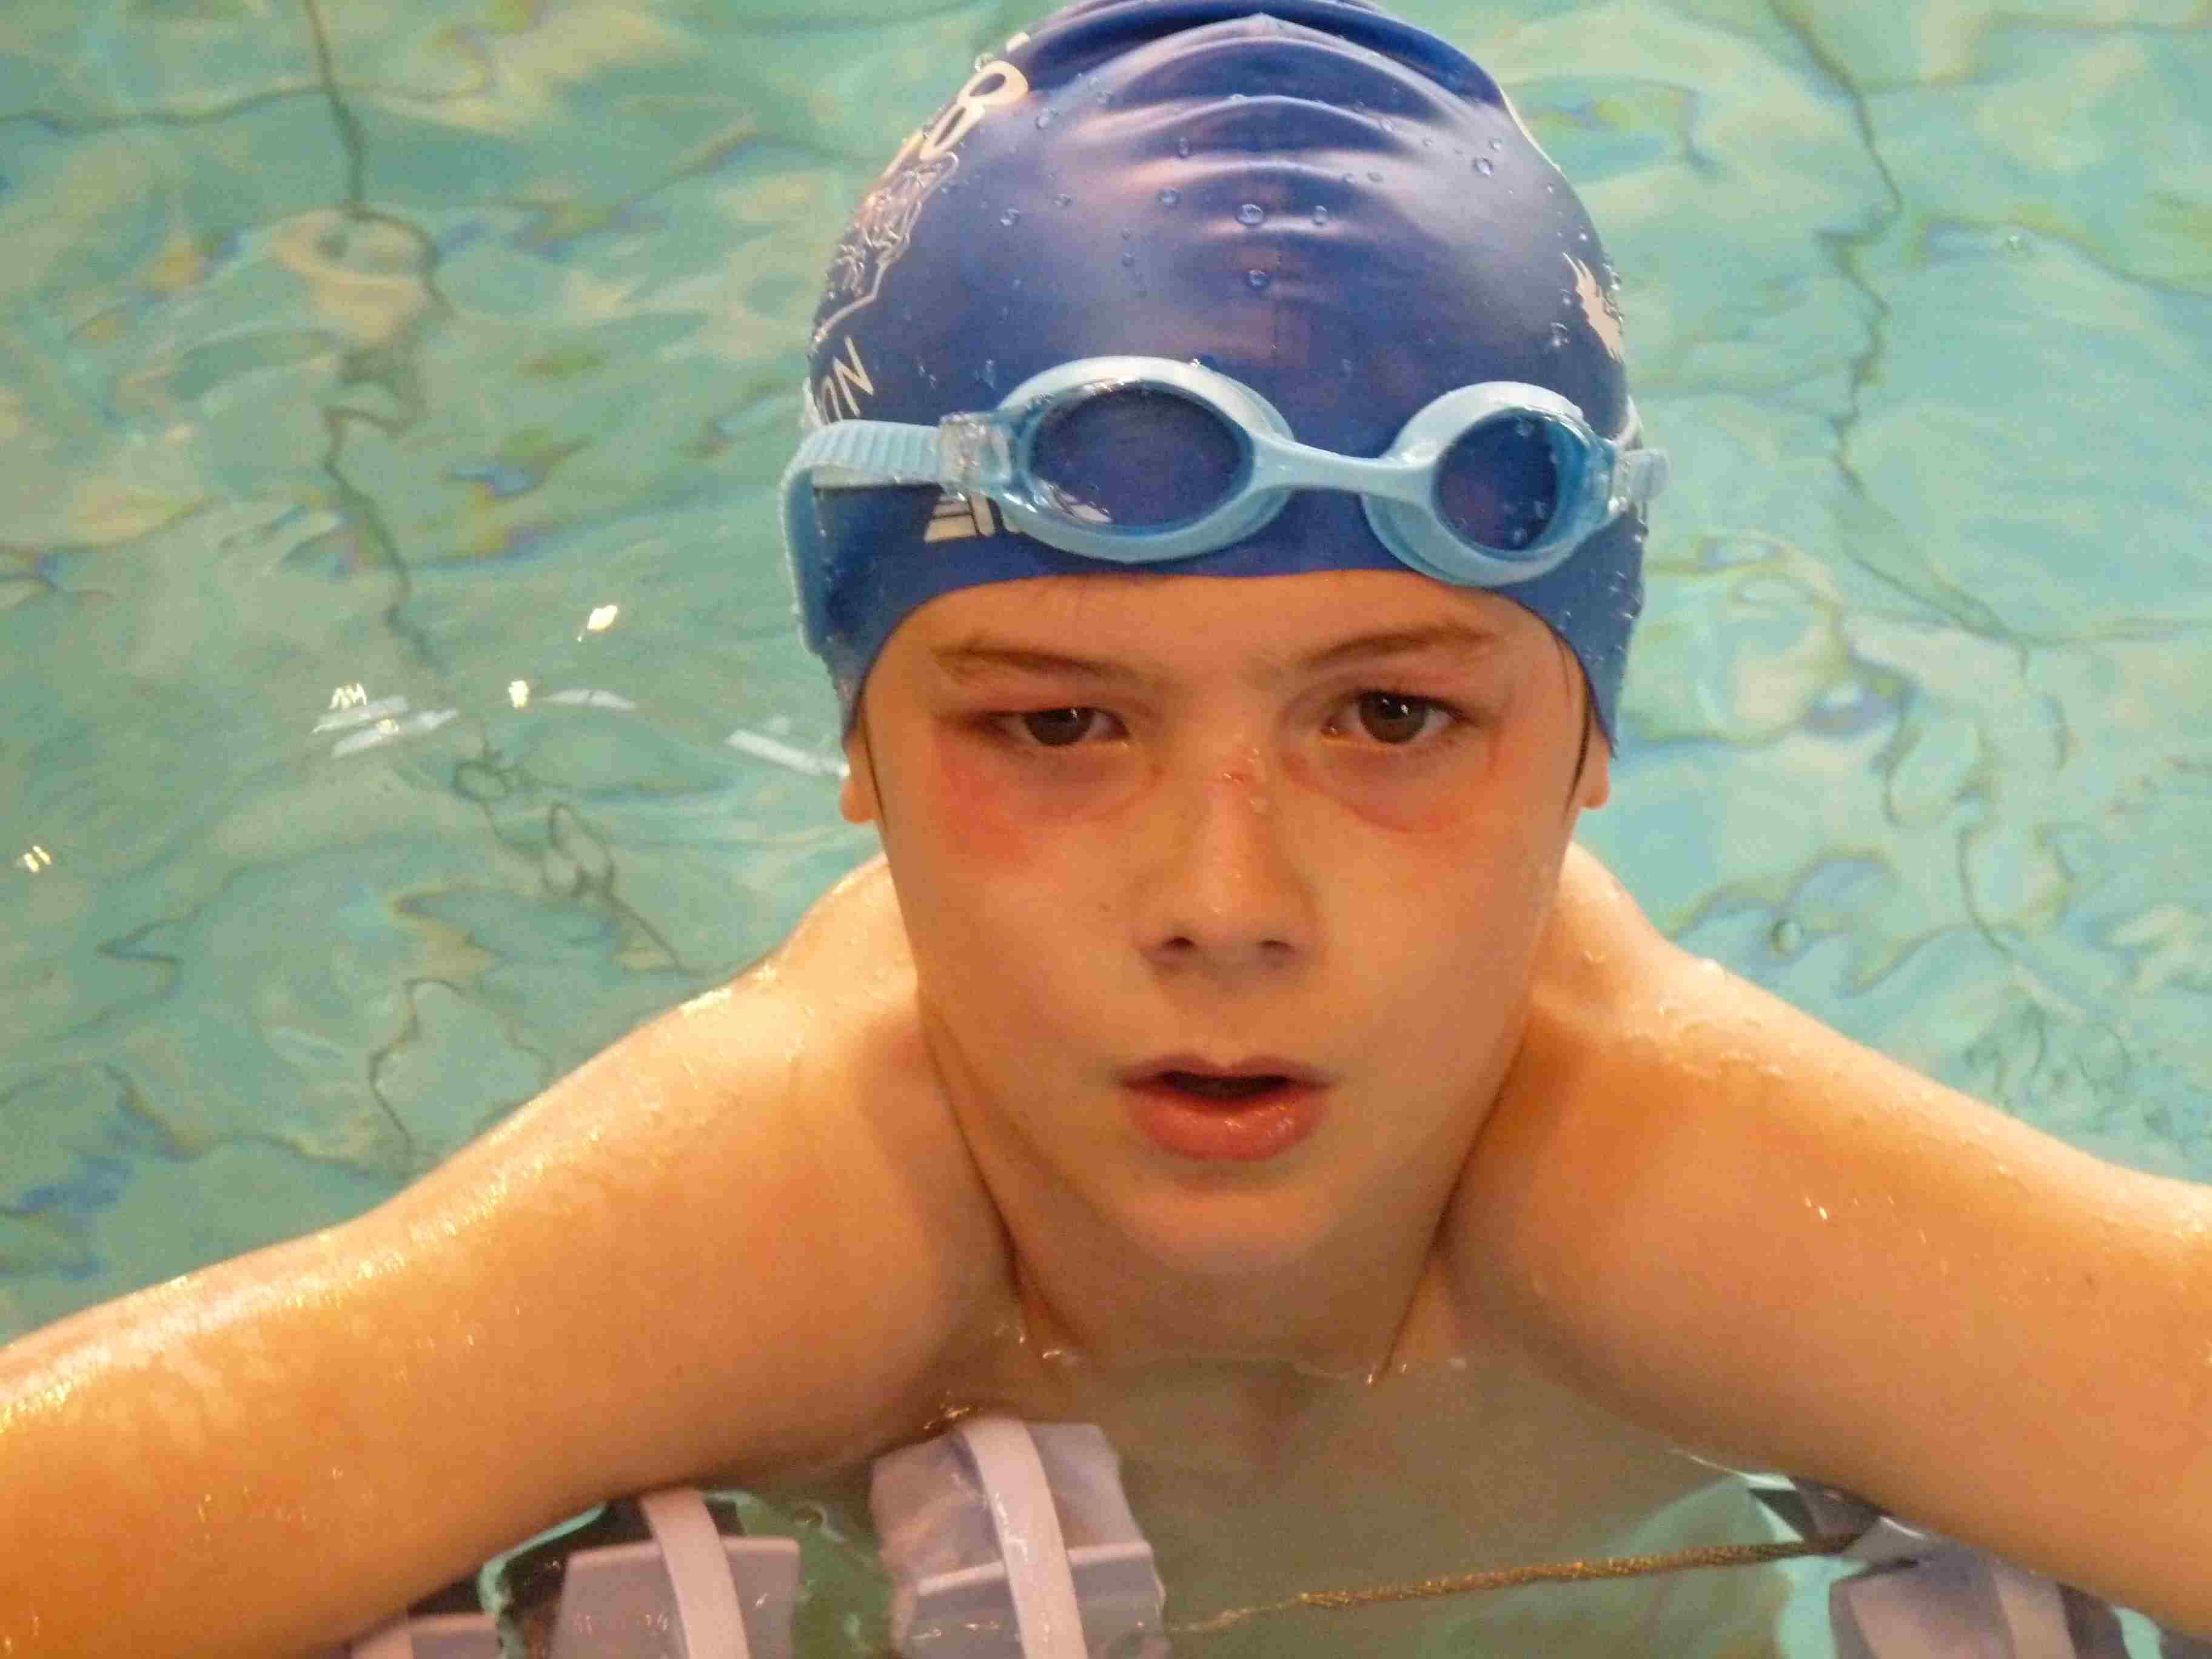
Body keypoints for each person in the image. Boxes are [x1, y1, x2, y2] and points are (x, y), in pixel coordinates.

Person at [3, 2, 2208, 1655]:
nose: (1226, 905)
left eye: (1394, 717)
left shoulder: (1673, 1197)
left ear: (1590, 745)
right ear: (859, 746)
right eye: (1058, 723)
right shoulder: (788, 1214)